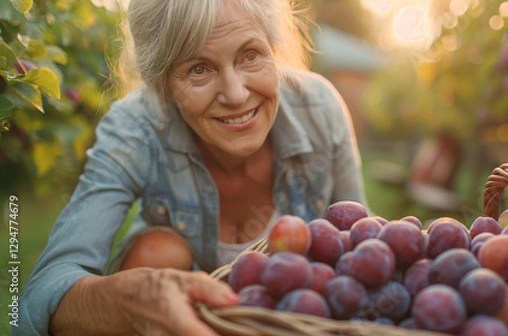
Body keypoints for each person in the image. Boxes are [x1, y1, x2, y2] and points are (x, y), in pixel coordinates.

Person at [16, 0, 367, 335]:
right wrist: (132, 302)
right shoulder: (135, 127)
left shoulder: (320, 110)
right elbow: (37, 301)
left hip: (299, 320)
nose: (235, 94)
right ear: (162, 84)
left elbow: (364, 246)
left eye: (250, 55)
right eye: (199, 69)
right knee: (156, 253)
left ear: (274, 50)